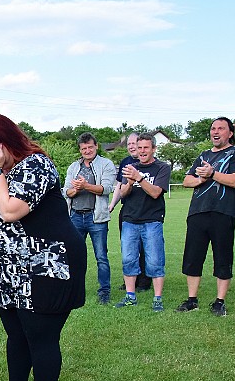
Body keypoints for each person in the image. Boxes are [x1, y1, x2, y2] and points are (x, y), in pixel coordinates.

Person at [0, 114, 86, 381]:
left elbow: (8, 211)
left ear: (3, 143)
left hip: (48, 265)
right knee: (16, 334)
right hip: (11, 270)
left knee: (41, 336)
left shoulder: (37, 166)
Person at [176, 118, 235, 316]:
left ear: (230, 133)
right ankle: (192, 300)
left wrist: (213, 173)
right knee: (193, 257)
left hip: (223, 212)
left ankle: (220, 301)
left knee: (222, 257)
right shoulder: (203, 155)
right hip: (198, 212)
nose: (216, 132)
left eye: (221, 128)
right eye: (213, 128)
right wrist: (201, 178)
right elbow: (187, 181)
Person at [114, 134, 172, 311]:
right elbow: (123, 193)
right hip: (130, 220)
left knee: (154, 260)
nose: (142, 151)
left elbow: (155, 193)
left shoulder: (162, 167)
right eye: (140, 148)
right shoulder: (130, 167)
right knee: (128, 259)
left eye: (146, 148)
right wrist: (130, 183)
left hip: (152, 221)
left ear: (153, 148)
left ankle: (157, 298)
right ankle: (130, 296)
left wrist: (139, 178)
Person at [63, 132, 116, 304]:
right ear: (80, 150)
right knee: (74, 255)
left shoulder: (106, 164)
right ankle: (73, 290)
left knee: (101, 256)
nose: (87, 151)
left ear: (96, 146)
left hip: (96, 218)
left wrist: (86, 185)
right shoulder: (73, 167)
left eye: (90, 147)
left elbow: (107, 188)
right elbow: (66, 192)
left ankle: (104, 292)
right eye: (84, 148)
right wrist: (77, 189)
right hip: (75, 217)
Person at [110, 132, 151, 292]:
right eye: (129, 145)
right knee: (128, 247)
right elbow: (119, 186)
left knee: (144, 247)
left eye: (135, 144)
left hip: (145, 211)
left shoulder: (147, 163)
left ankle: (144, 281)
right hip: (127, 210)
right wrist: (113, 204)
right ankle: (130, 281)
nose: (132, 147)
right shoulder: (125, 162)